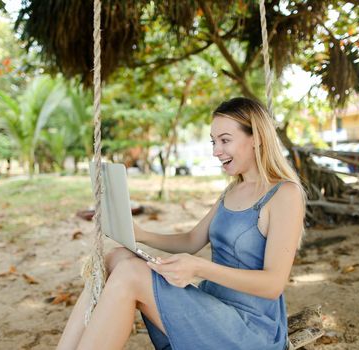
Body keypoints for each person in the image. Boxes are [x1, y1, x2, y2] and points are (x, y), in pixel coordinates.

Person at [57, 97, 305, 350]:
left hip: (250, 331)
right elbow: (192, 240)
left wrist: (199, 268)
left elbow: (273, 285)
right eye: (214, 141)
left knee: (132, 274)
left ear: (257, 138)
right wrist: (140, 234)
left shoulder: (285, 194)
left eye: (225, 140)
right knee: (116, 258)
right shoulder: (233, 190)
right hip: (213, 308)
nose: (216, 150)